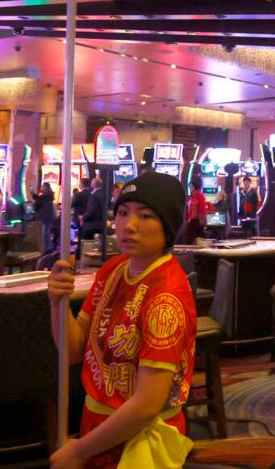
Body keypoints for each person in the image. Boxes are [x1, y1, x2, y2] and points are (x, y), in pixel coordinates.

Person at [46, 172, 196, 469]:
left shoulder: (166, 296)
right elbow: (73, 351)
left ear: (167, 226)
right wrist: (57, 304)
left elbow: (146, 405)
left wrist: (79, 452)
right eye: (124, 213)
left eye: (146, 216)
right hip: (97, 426)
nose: (129, 225)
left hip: (139, 439)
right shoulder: (113, 270)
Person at [81, 176, 107, 240]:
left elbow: (91, 211)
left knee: (86, 246)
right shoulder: (104, 194)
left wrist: (83, 217)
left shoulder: (93, 195)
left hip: (91, 226)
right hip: (101, 225)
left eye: (92, 182)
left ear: (94, 184)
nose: (90, 183)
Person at [33, 183, 57, 252]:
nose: (41, 188)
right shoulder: (49, 195)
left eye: (42, 186)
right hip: (49, 217)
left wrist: (32, 193)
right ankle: (49, 247)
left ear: (45, 187)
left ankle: (46, 248)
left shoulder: (45, 196)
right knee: (47, 233)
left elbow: (38, 200)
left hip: (44, 217)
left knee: (44, 233)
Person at [184, 176, 207, 243]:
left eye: (191, 186)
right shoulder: (193, 195)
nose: (190, 188)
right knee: (192, 237)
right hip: (192, 219)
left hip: (196, 220)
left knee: (193, 237)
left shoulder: (199, 195)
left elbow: (202, 208)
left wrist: (201, 219)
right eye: (190, 186)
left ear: (195, 186)